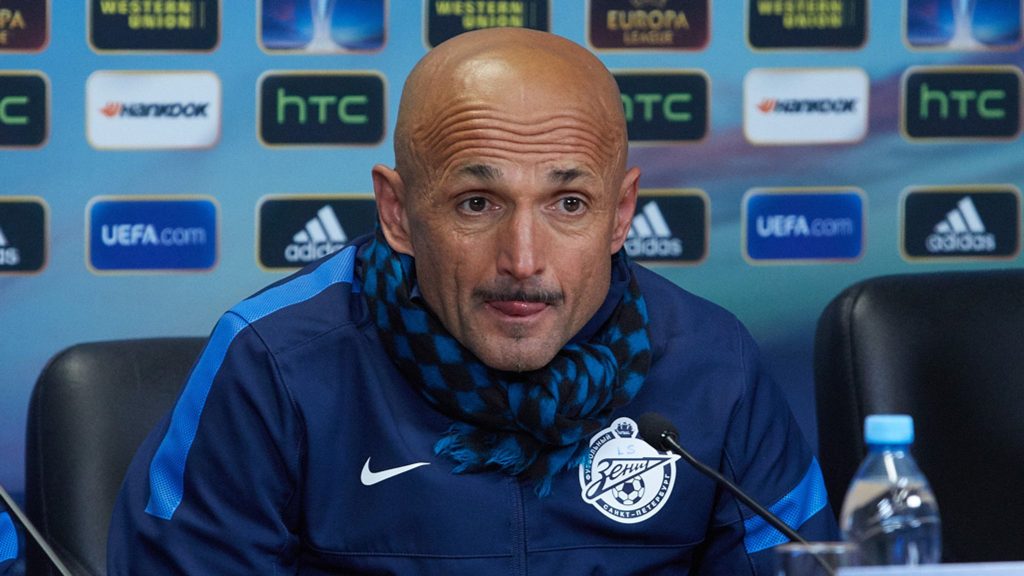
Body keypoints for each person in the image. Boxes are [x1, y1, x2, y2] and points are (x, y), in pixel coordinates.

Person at [108, 28, 836, 574]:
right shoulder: (273, 364)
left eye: (568, 204)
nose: (523, 260)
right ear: (397, 213)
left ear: (620, 215)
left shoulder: (714, 363)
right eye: (477, 203)